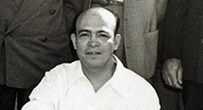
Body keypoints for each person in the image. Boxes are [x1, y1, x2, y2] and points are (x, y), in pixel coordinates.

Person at [22, 7, 160, 110]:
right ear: (74, 41)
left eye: (102, 35)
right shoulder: (58, 78)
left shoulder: (141, 91)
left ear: (116, 42)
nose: (93, 42)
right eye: (85, 35)